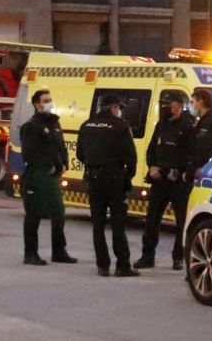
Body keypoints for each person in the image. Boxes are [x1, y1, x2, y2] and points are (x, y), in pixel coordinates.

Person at [76, 93, 139, 277]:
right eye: (118, 108)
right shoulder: (121, 126)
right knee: (118, 224)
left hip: (94, 179)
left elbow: (80, 154)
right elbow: (131, 156)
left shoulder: (86, 125)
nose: (119, 111)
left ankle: (102, 265)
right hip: (114, 179)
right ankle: (122, 265)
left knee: (98, 224)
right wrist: (127, 176)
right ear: (113, 107)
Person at [140, 92, 197, 270]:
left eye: (169, 105)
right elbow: (151, 150)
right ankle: (147, 256)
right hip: (160, 181)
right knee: (152, 220)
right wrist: (152, 167)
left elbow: (191, 155)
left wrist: (179, 171)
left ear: (179, 106)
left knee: (181, 222)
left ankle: (178, 257)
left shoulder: (188, 127)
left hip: (178, 183)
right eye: (165, 105)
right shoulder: (161, 126)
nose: (166, 108)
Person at [18, 89, 75, 266]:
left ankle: (59, 250)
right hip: (37, 174)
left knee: (58, 213)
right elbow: (30, 152)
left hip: (52, 176)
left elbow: (60, 147)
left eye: (50, 99)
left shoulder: (54, 124)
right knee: (33, 214)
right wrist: (48, 166)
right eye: (45, 100)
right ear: (37, 104)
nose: (49, 102)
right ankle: (30, 253)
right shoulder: (31, 126)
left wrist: (64, 163)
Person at [188, 87, 212, 180]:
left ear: (200, 102)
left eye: (193, 102)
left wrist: (190, 172)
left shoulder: (209, 123)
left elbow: (201, 151)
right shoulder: (204, 121)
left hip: (203, 172)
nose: (191, 106)